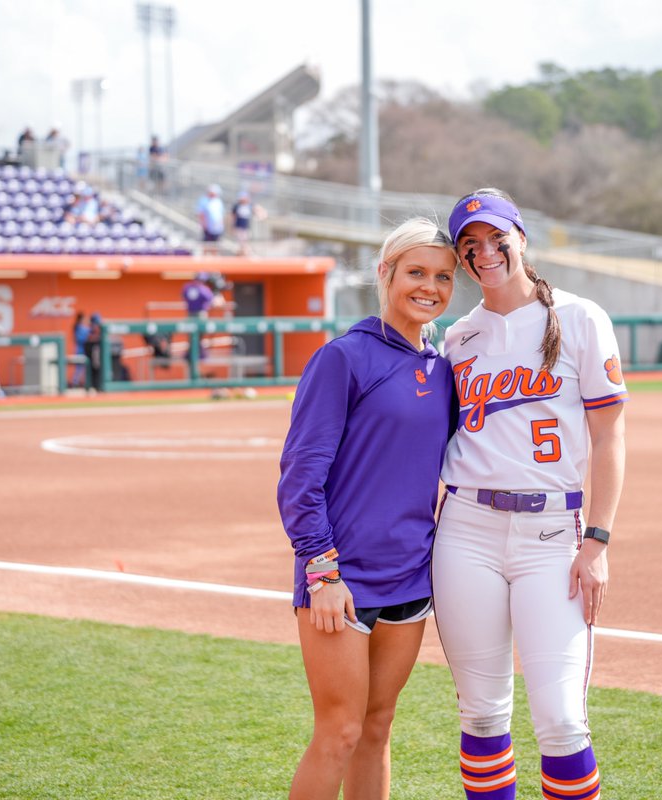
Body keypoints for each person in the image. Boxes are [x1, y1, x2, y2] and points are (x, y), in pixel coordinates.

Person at [433, 189, 627, 800]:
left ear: (521, 238)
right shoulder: (458, 338)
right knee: (482, 717)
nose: (485, 252)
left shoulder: (580, 317)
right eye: (470, 245)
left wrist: (597, 542)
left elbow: (609, 435)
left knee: (563, 721)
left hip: (552, 535)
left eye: (496, 238)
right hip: (466, 531)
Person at [277, 217, 458, 800]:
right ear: (386, 273)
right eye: (416, 272)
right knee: (339, 732)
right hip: (341, 577)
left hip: (411, 575)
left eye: (444, 277)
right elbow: (300, 476)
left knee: (377, 729)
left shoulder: (444, 368)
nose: (429, 287)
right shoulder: (344, 358)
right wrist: (322, 570)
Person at [196, 184, 225, 255]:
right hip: (208, 227)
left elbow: (221, 214)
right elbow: (201, 214)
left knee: (215, 245)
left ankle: (214, 258)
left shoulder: (218, 202)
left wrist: (221, 224)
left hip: (217, 228)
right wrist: (204, 224)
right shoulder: (204, 200)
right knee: (206, 245)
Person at [71, 312, 90, 388]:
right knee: (79, 368)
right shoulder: (79, 327)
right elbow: (82, 338)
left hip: (83, 350)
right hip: (80, 350)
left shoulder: (82, 327)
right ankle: (74, 383)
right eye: (84, 319)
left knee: (84, 368)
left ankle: (80, 383)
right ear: (81, 319)